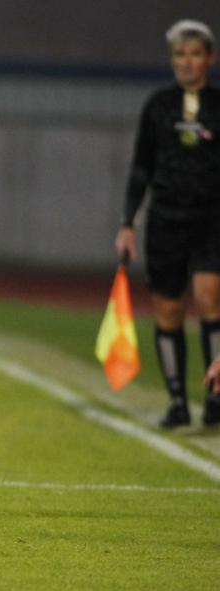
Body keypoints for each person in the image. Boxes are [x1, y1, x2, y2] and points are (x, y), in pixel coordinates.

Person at [115, 19, 220, 429]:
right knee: (168, 309)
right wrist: (128, 223)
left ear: (209, 59)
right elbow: (141, 167)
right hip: (166, 219)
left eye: (195, 54)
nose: (187, 62)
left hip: (212, 218)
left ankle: (215, 396)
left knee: (210, 298)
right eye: (180, 55)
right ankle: (177, 401)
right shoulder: (158, 106)